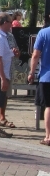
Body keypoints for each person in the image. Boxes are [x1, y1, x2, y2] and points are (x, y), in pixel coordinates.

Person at [29, 16, 50, 145]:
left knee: (49, 106)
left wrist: (32, 72)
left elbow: (36, 55)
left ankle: (48, 136)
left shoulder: (43, 33)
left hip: (46, 76)